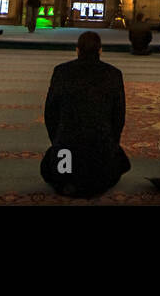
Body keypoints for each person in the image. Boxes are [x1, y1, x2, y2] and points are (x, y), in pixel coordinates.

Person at [40, 31, 131, 198]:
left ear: (77, 50)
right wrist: (111, 143)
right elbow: (119, 116)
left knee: (52, 166)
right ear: (100, 51)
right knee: (119, 162)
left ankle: (66, 180)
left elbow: (50, 113)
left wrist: (58, 141)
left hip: (66, 149)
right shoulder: (113, 74)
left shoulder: (61, 72)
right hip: (101, 152)